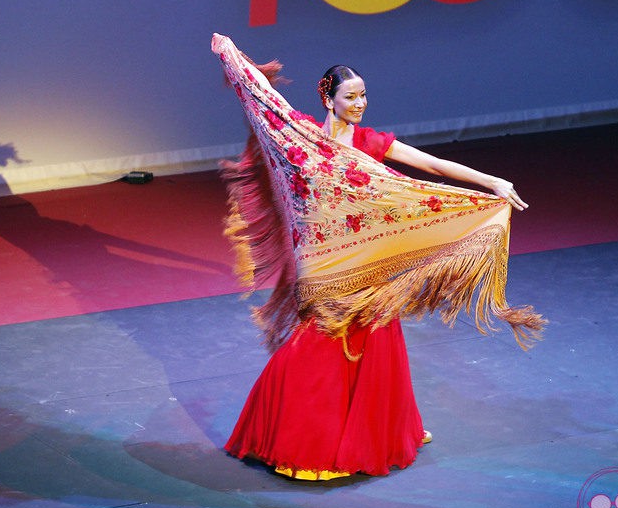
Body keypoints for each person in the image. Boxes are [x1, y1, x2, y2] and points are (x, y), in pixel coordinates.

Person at [213, 34, 544, 480]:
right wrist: (234, 58)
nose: (360, 103)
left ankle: (379, 434)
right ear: (328, 99)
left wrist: (492, 183)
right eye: (350, 96)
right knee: (314, 347)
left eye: (364, 95)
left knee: (376, 340)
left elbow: (432, 168)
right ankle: (299, 441)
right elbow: (265, 105)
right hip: (323, 264)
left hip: (370, 261)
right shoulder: (305, 140)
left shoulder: (370, 142)